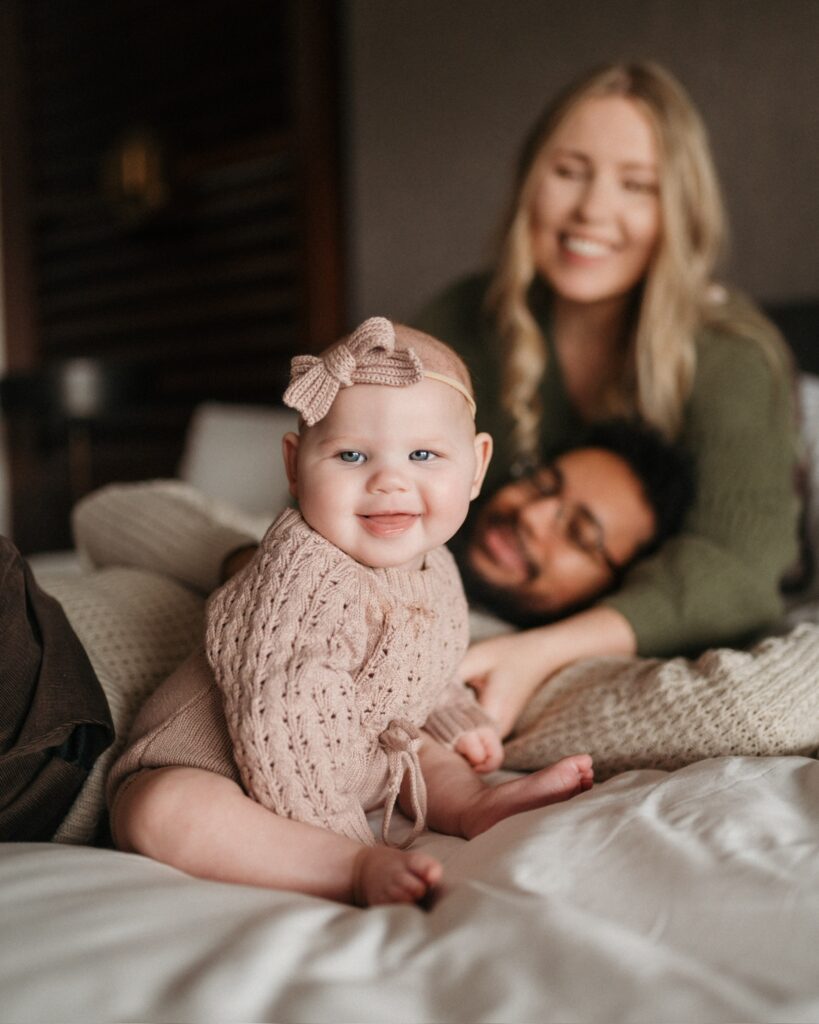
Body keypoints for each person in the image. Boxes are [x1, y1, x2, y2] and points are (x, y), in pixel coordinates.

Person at [106, 317, 593, 907]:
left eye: (423, 454)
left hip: (352, 749)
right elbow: (284, 718)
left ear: (477, 466)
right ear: (294, 466)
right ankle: (343, 868)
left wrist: (453, 718)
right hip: (227, 762)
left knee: (415, 749)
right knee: (160, 810)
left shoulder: (433, 562)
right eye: (352, 455)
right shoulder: (300, 573)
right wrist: (344, 840)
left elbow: (420, 665)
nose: (390, 482)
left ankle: (473, 805)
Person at [413, 59, 800, 734]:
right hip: (455, 606)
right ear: (528, 182)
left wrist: (537, 654)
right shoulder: (460, 320)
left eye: (636, 186)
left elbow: (740, 568)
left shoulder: (728, 355)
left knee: (771, 705)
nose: (592, 210)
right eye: (568, 172)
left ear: (678, 210)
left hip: (626, 640)